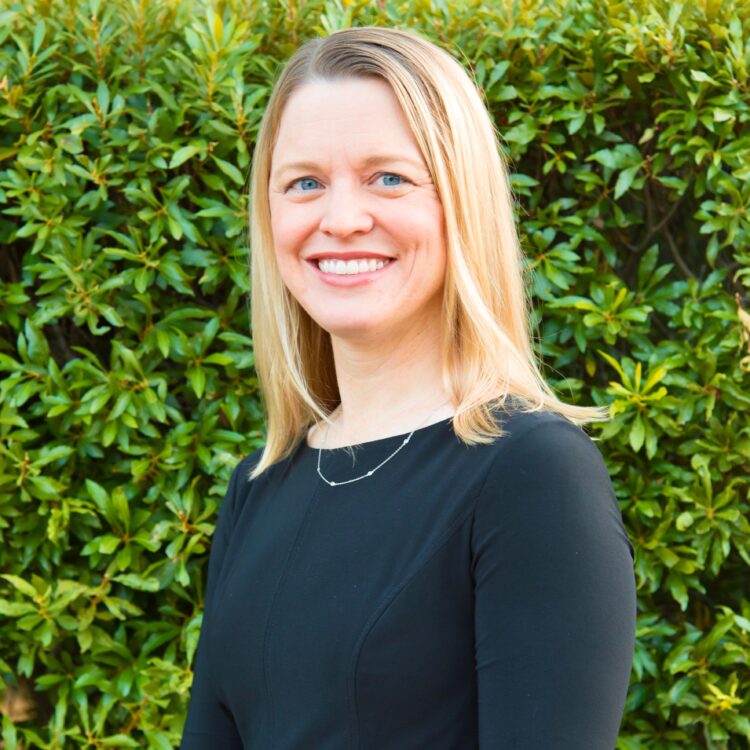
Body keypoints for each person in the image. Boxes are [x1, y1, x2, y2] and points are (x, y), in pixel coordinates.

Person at [180, 26, 636, 750]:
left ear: (462, 201)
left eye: (388, 176)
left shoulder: (531, 473)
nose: (341, 219)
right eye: (304, 182)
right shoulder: (261, 485)